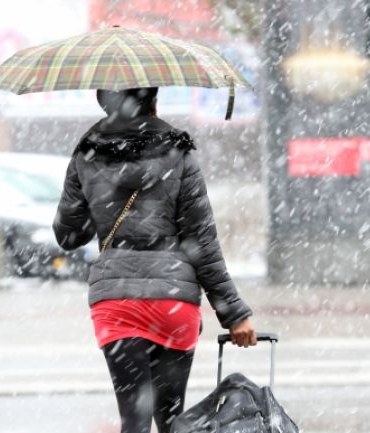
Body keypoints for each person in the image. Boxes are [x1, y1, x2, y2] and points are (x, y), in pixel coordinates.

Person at [53, 87, 256, 433]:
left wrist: (99, 203)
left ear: (104, 103)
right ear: (154, 101)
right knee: (171, 421)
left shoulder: (86, 155)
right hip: (172, 302)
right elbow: (201, 242)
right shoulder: (179, 154)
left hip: (116, 301)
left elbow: (69, 235)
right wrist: (234, 313)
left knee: (134, 421)